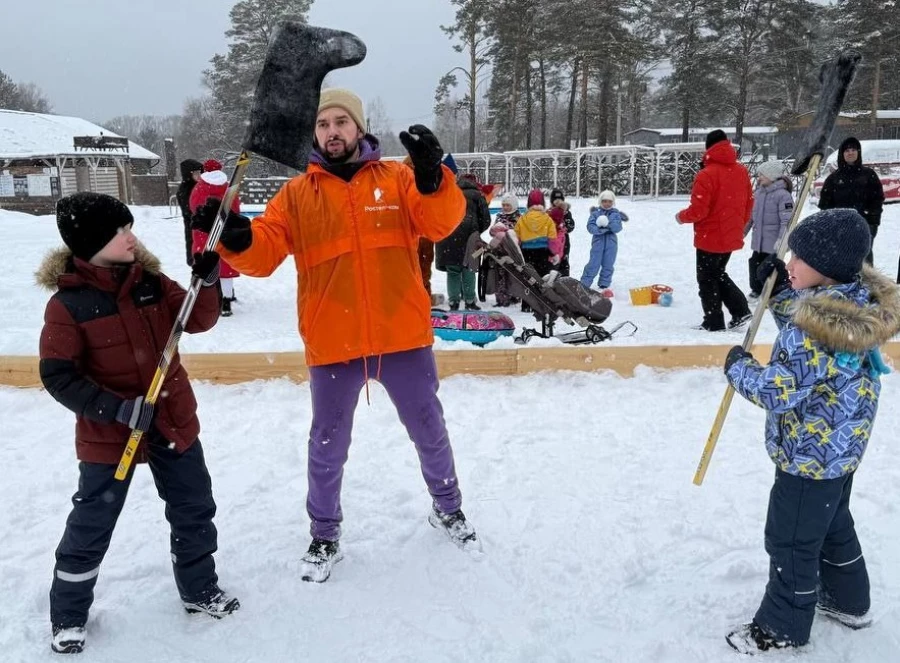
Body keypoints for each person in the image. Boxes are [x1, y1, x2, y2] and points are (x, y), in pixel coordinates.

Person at [191, 88, 478, 583]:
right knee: (327, 445)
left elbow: (440, 223)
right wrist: (237, 238)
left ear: (359, 127)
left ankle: (447, 507)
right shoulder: (298, 195)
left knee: (430, 431)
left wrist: (434, 181)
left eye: (341, 121)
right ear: (315, 133)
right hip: (333, 341)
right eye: (323, 124)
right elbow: (263, 253)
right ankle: (324, 533)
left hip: (402, 336)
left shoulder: (398, 179)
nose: (332, 131)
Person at [37, 192, 237, 655]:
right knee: (92, 522)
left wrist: (205, 284)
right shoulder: (68, 306)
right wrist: (117, 409)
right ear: (92, 243)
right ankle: (68, 614)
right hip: (111, 433)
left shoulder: (148, 281)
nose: (132, 236)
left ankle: (198, 588)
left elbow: (198, 321)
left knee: (193, 506)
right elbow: (57, 375)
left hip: (170, 418)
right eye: (120, 230)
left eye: (129, 226)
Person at [722, 209, 900, 654]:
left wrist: (739, 369)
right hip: (840, 452)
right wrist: (784, 291)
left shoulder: (809, 332)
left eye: (799, 257)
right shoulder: (856, 305)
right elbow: (817, 331)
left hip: (807, 457)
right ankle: (849, 601)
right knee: (832, 525)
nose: (790, 261)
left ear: (827, 269)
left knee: (791, 540)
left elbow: (779, 390)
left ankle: (781, 627)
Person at [677, 129, 754, 332]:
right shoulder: (741, 171)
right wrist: (737, 226)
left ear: (708, 148)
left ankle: (714, 321)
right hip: (730, 235)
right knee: (718, 273)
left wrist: (681, 217)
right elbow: (748, 203)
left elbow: (699, 210)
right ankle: (739, 311)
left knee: (707, 279)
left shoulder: (706, 174)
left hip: (709, 236)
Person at [818, 137, 884, 264]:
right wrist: (832, 224)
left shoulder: (869, 175)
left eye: (853, 149)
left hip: (864, 224)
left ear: (858, 152)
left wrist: (873, 222)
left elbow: (877, 199)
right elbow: (825, 205)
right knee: (842, 260)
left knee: (864, 260)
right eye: (847, 150)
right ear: (842, 154)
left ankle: (866, 283)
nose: (850, 152)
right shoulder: (833, 178)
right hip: (840, 227)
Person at [189, 159, 242, 317]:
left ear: (205, 170)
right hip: (224, 232)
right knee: (226, 267)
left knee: (207, 265)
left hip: (204, 233)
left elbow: (194, 206)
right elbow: (236, 208)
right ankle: (226, 301)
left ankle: (211, 299)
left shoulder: (200, 187)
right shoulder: (228, 187)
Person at [435, 172, 491, 310]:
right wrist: (475, 232)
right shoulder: (477, 195)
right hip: (469, 239)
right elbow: (486, 220)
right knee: (468, 268)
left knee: (453, 271)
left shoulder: (449, 193)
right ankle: (470, 301)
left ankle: (454, 301)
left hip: (448, 237)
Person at [745, 160, 794, 300]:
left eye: (762, 175)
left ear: (772, 176)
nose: (759, 177)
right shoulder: (759, 193)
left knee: (769, 268)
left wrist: (782, 240)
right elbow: (752, 216)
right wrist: (744, 231)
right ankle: (756, 290)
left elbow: (786, 220)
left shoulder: (783, 195)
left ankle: (771, 292)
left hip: (773, 241)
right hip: (759, 240)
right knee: (754, 263)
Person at [580, 190, 626, 296]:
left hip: (611, 243)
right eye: (604, 201)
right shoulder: (595, 214)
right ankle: (584, 283)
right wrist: (600, 229)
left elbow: (618, 227)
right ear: (601, 201)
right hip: (598, 243)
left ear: (612, 202)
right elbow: (590, 227)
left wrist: (608, 225)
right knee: (593, 263)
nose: (607, 203)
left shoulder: (615, 214)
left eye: (609, 201)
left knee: (608, 263)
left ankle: (604, 284)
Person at [488, 192, 521, 306]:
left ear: (514, 206)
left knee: (513, 274)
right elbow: (492, 232)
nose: (505, 207)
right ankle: (501, 298)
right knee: (500, 275)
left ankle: (514, 296)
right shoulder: (499, 216)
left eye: (508, 205)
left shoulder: (518, 218)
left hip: (512, 251)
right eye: (504, 205)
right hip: (499, 250)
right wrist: (494, 230)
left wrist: (507, 230)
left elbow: (519, 234)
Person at [176, 159, 202, 266]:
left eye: (200, 173)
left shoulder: (199, 187)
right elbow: (190, 210)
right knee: (196, 258)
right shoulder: (185, 190)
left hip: (199, 229)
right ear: (188, 174)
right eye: (196, 173)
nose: (199, 176)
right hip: (192, 229)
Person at [548, 188, 575, 276]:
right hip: (552, 242)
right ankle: (552, 278)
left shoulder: (566, 213)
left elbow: (571, 226)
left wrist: (564, 225)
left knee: (564, 261)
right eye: (555, 199)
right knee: (552, 261)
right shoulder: (548, 212)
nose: (558, 202)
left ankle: (564, 278)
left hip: (564, 242)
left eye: (560, 200)